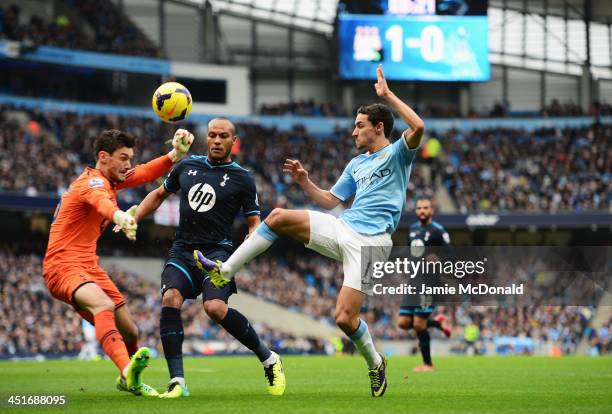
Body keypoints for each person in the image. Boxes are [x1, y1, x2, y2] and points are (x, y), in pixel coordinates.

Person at [195, 65, 424, 397]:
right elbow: (330, 201)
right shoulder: (356, 164)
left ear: (378, 127)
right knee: (277, 217)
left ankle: (375, 363)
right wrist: (305, 182)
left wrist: (387, 95)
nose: (353, 132)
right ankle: (225, 270)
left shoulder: (398, 153)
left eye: (359, 126)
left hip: (372, 244)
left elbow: (418, 126)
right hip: (344, 227)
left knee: (345, 319)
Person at [130, 118, 285, 398]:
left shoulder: (243, 178)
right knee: (170, 299)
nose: (216, 140)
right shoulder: (187, 166)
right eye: (212, 135)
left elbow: (254, 223)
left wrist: (248, 244)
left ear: (233, 142)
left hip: (217, 254)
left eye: (222, 136)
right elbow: (158, 194)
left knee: (214, 308)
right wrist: (134, 217)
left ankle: (269, 358)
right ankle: (177, 381)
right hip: (183, 249)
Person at [42, 128, 194, 396]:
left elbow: (145, 172)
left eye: (130, 158)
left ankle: (131, 378)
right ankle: (127, 374)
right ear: (104, 157)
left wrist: (175, 154)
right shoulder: (92, 183)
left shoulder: (109, 180)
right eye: (123, 158)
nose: (128, 164)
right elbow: (100, 203)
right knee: (103, 305)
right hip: (62, 266)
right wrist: (120, 217)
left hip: (89, 266)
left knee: (130, 331)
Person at [398, 197, 452, 372]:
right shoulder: (412, 229)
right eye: (419, 208)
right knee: (403, 323)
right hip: (413, 281)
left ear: (431, 210)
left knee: (419, 324)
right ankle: (438, 324)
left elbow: (452, 256)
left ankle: (428, 364)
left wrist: (439, 259)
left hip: (429, 283)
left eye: (425, 208)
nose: (422, 210)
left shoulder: (439, 231)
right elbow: (408, 252)